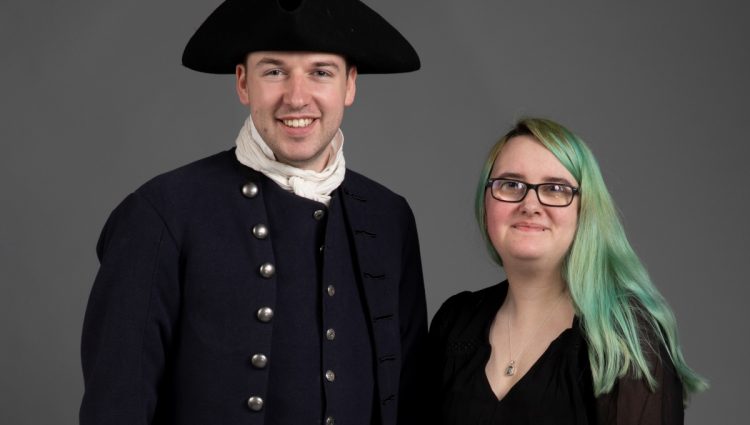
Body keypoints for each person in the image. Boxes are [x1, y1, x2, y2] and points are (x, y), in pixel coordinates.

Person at [79, 1, 427, 424]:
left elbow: (408, 401)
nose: (297, 98)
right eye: (274, 71)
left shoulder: (390, 218)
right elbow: (115, 409)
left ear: (349, 85)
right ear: (243, 83)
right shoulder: (161, 212)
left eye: (320, 72)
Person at [428, 118, 707, 424]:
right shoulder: (454, 322)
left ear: (585, 209)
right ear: (485, 202)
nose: (530, 204)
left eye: (555, 189)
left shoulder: (625, 337)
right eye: (510, 184)